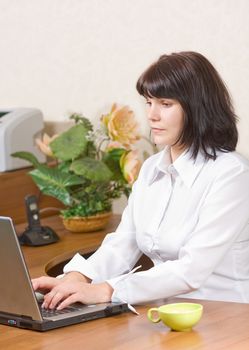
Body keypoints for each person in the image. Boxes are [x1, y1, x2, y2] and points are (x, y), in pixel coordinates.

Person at [33, 51, 249, 310]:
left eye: (165, 104)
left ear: (197, 108)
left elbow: (192, 269)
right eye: (148, 102)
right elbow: (124, 242)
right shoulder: (151, 168)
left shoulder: (232, 174)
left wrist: (107, 290)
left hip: (227, 316)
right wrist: (76, 278)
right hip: (165, 313)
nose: (152, 115)